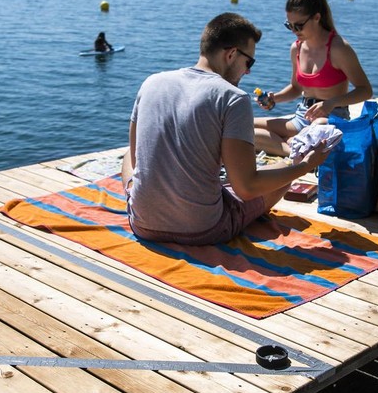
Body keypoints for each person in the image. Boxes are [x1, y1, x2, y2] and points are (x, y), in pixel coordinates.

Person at [121, 12, 332, 246]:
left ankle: (135, 193)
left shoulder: (151, 82)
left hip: (142, 223)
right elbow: (247, 188)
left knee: (129, 155)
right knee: (285, 172)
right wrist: (305, 166)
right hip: (202, 229)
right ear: (231, 54)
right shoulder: (233, 98)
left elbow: (136, 156)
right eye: (249, 62)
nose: (249, 71)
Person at [253, 0, 372, 156]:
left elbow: (365, 91)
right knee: (245, 127)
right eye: (289, 25)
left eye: (299, 25)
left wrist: (331, 103)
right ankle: (294, 148)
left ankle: (294, 147)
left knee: (317, 132)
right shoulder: (296, 48)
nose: (294, 31)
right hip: (301, 117)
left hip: (330, 119)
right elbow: (296, 88)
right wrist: (274, 98)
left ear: (317, 17)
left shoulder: (339, 48)